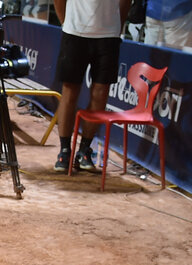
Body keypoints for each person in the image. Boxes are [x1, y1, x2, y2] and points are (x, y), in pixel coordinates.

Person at [52, 0, 132, 173]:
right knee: (70, 91)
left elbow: (126, 2)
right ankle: (65, 151)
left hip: (108, 37)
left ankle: (84, 150)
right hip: (74, 32)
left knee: (101, 92)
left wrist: (116, 29)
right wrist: (66, 23)